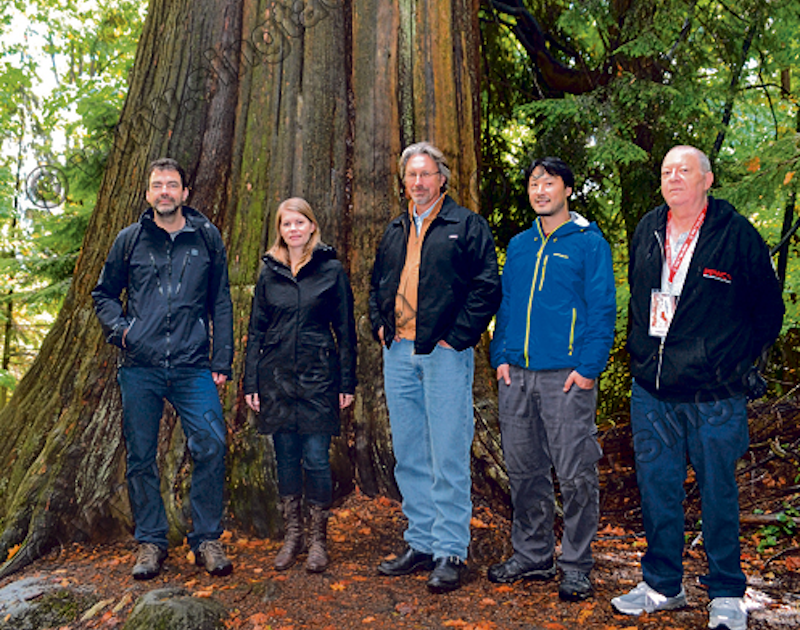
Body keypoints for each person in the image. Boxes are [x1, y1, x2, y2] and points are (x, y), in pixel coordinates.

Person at [611, 146, 784, 630]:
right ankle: (663, 583)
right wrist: (641, 356)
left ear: (707, 179)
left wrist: (731, 360)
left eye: (684, 170)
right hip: (654, 392)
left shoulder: (736, 235)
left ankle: (727, 591)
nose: (673, 178)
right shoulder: (649, 228)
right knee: (657, 488)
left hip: (716, 395)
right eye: (666, 171)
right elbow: (643, 300)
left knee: (718, 491)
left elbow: (768, 311)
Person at [369, 141, 501, 593]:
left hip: (444, 354)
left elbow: (487, 286)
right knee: (410, 453)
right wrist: (380, 324)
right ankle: (421, 540)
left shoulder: (466, 225)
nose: (418, 182)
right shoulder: (394, 228)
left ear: (441, 178)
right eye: (411, 175)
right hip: (399, 354)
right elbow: (377, 283)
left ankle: (449, 549)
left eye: (426, 174)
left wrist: (457, 336)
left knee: (447, 452)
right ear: (403, 182)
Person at [92, 158, 234, 580]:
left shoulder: (205, 237)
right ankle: (151, 541)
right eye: (158, 185)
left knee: (211, 443)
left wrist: (221, 359)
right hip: (140, 366)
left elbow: (220, 301)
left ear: (185, 193)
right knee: (140, 456)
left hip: (192, 366)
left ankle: (206, 538)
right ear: (148, 193)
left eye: (173, 185)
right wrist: (123, 332)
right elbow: (103, 294)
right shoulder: (129, 240)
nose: (165, 192)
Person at [489, 157, 616, 601]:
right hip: (516, 377)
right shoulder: (521, 245)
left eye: (549, 182)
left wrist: (587, 369)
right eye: (533, 183)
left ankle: (577, 564)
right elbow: (505, 306)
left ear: (566, 189)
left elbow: (603, 310)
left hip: (566, 378)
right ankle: (533, 554)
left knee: (577, 473)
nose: (540, 190)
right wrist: (501, 355)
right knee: (524, 471)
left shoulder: (587, 243)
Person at [243, 197, 357, 574]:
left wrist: (346, 381)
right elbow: (256, 331)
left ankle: (318, 541)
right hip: (275, 377)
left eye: (299, 223)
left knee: (316, 458)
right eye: (286, 224)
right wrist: (251, 380)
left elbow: (345, 330)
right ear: (280, 230)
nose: (293, 229)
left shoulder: (331, 270)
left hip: (318, 377)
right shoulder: (269, 272)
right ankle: (293, 536)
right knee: (286, 458)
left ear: (311, 226)